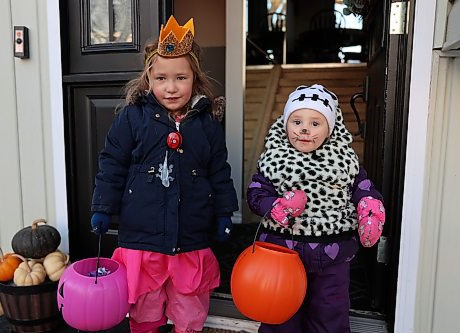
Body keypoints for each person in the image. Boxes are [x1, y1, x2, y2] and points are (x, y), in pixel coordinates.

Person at [90, 16, 239, 333]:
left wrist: (226, 212)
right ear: (148, 79)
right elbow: (112, 163)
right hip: (143, 238)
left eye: (180, 78)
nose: (171, 88)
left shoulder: (206, 124)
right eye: (161, 79)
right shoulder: (132, 118)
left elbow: (219, 170)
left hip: (190, 237)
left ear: (194, 79)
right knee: (145, 307)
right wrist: (102, 207)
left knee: (189, 308)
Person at [247, 84, 386, 332]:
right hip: (282, 255)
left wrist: (368, 204)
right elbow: (256, 194)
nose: (304, 130)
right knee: (281, 313)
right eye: (296, 121)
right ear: (285, 124)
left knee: (329, 313)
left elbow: (362, 186)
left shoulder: (345, 161)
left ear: (330, 129)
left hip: (332, 255)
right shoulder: (274, 159)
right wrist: (276, 206)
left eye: (315, 123)